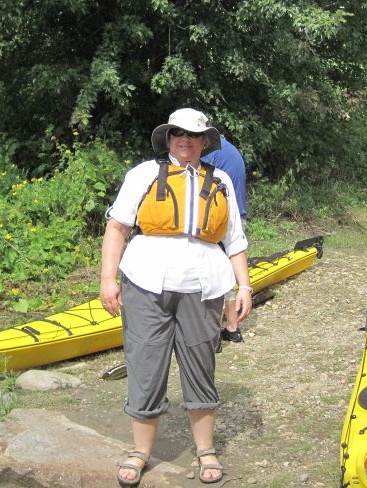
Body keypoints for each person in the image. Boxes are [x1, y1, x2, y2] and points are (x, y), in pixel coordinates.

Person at [100, 108, 253, 486]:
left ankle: (205, 450)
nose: (185, 140)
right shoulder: (143, 174)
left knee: (200, 363)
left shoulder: (220, 182)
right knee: (145, 360)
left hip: (204, 285)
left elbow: (234, 241)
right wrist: (108, 279)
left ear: (204, 142)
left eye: (193, 135)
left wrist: (244, 286)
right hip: (145, 280)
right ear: (168, 139)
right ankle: (140, 451)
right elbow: (117, 227)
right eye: (178, 134)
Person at [202, 131, 248, 347]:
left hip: (223, 218)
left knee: (216, 275)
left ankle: (219, 333)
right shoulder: (231, 149)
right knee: (227, 272)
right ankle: (232, 328)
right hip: (239, 213)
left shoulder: (212, 155)